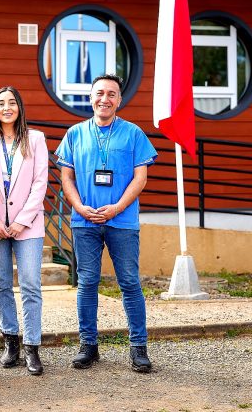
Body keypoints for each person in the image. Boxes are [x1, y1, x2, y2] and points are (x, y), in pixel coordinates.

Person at [55, 74, 157, 373]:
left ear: (119, 100)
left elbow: (141, 177)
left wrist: (117, 208)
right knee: (87, 282)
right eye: (100, 93)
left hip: (122, 221)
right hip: (84, 221)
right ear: (90, 97)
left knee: (129, 282)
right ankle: (89, 346)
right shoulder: (74, 134)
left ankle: (138, 347)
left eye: (111, 94)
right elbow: (66, 178)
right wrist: (80, 207)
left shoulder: (134, 133)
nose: (105, 99)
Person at [0, 86, 48, 376]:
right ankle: (10, 342)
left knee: (30, 284)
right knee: (0, 284)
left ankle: (32, 347)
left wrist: (21, 221)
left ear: (19, 107)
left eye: (12, 102)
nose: (7, 107)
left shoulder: (36, 139)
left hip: (27, 226)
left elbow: (40, 183)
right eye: (1, 103)